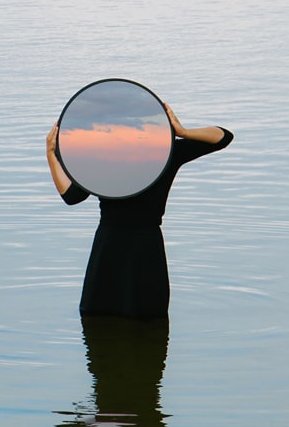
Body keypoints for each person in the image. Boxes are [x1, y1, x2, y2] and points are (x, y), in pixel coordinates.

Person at [46, 102, 233, 319]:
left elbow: (71, 197)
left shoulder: (103, 159)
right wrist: (183, 132)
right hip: (148, 248)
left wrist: (51, 153)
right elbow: (223, 137)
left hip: (108, 248)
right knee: (148, 316)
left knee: (99, 315)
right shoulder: (167, 154)